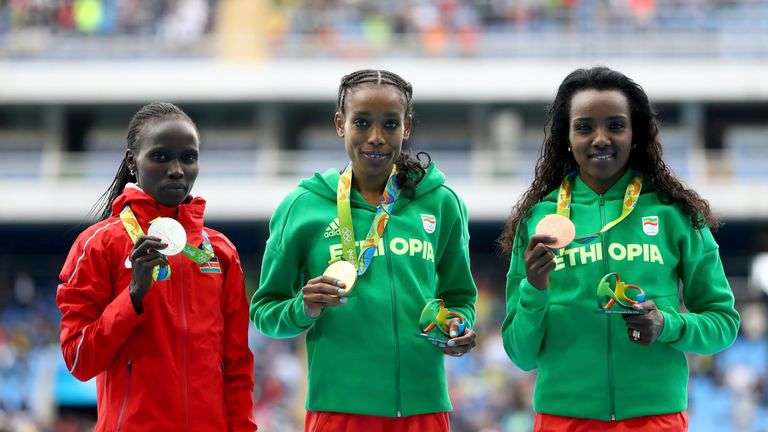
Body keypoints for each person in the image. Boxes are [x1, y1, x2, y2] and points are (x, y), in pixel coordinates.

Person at [498, 66, 740, 432]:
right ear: (566, 136)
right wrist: (533, 287)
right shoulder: (538, 220)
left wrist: (667, 324)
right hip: (563, 419)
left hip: (655, 418)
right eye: (584, 127)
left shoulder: (674, 214)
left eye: (615, 125)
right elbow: (521, 354)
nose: (600, 138)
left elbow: (723, 323)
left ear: (635, 134)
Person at [250, 69, 478, 432]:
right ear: (340, 124)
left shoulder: (442, 203)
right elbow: (264, 311)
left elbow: (460, 296)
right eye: (361, 122)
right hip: (338, 409)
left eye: (390, 124)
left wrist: (459, 326)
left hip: (424, 407)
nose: (376, 137)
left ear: (407, 126)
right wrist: (302, 307)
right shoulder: (302, 206)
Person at [56, 102, 257, 431]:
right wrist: (132, 297)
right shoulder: (99, 245)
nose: (177, 169)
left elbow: (237, 367)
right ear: (132, 162)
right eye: (161, 156)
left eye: (188, 157)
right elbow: (79, 360)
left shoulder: (219, 252)